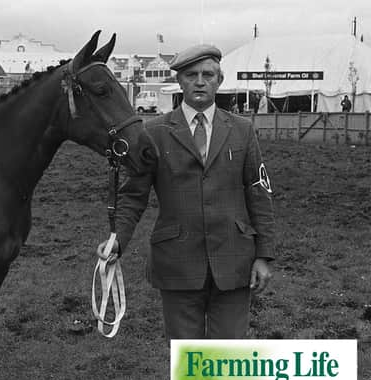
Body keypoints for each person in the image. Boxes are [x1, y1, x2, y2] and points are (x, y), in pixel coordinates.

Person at [97, 44, 275, 340]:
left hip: (235, 262)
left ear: (220, 80)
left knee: (227, 356)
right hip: (177, 263)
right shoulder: (153, 132)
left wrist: (264, 255)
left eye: (208, 74)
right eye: (191, 75)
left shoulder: (243, 130)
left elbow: (259, 193)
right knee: (188, 359)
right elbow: (133, 195)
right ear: (179, 81)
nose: (200, 81)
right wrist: (118, 240)